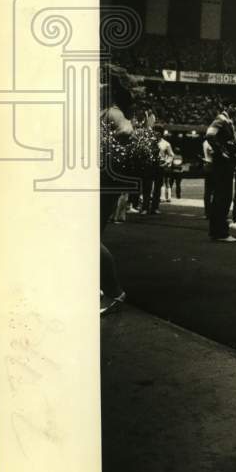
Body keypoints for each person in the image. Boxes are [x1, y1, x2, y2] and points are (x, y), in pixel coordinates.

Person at [99, 65, 137, 315]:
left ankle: (115, 292)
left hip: (103, 181)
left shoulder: (112, 112)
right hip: (97, 180)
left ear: (108, 88)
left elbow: (127, 129)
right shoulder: (98, 112)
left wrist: (104, 147)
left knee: (87, 240)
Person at [205, 102, 236, 242]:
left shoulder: (227, 121)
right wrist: (222, 151)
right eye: (234, 106)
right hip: (223, 163)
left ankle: (216, 231)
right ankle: (221, 232)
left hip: (223, 162)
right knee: (224, 196)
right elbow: (209, 134)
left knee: (221, 196)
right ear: (227, 107)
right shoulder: (221, 119)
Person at [202, 134, 215, 220]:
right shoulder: (210, 143)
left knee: (208, 191)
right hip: (212, 165)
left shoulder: (205, 142)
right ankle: (211, 212)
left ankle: (208, 212)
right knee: (213, 191)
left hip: (208, 165)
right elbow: (213, 153)